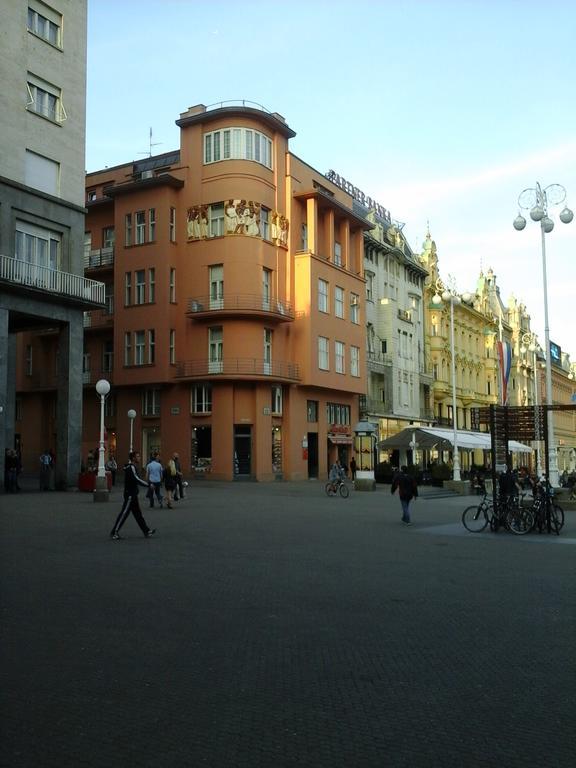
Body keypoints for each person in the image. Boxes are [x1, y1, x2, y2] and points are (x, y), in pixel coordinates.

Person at [110, 452, 156, 540]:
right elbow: (136, 479)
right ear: (133, 458)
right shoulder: (131, 467)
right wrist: (148, 484)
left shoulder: (132, 467)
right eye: (138, 456)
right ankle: (114, 532)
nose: (139, 458)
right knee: (124, 513)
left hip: (133, 494)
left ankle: (146, 531)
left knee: (138, 514)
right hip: (130, 494)